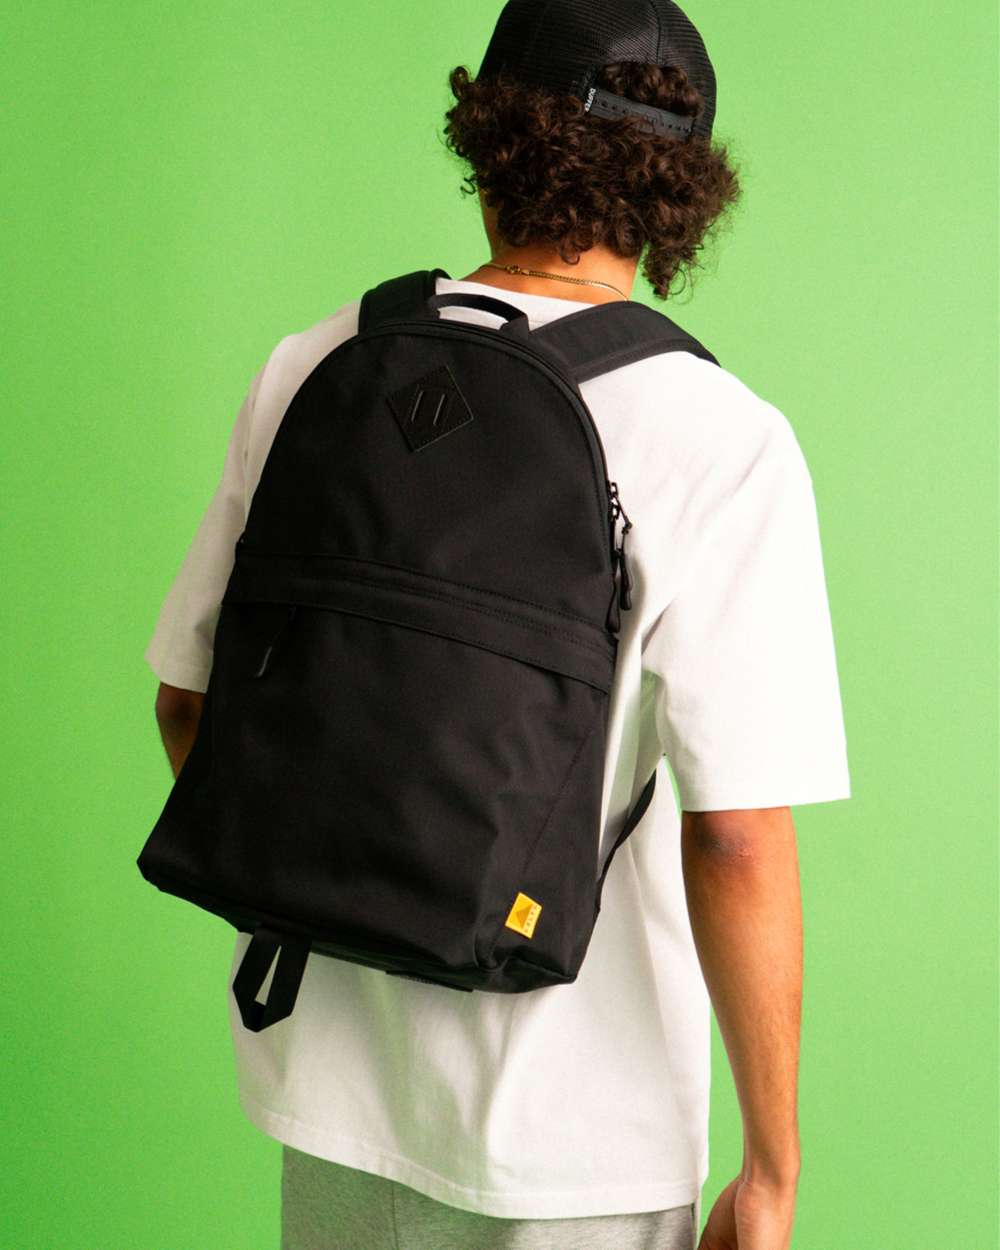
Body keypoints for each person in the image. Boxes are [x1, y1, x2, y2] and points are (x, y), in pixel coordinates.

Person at [146, 3, 851, 1248]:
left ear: (489, 136)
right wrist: (772, 1168)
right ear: (681, 189)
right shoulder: (723, 438)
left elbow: (188, 705)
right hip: (579, 1136)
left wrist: (333, 880)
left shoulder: (314, 365)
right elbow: (737, 836)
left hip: (330, 1085)